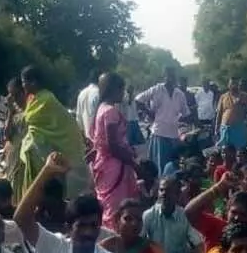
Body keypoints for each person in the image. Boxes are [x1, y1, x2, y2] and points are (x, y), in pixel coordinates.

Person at [18, 65, 93, 201]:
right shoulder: (33, 98)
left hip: (51, 147)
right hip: (39, 147)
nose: (23, 86)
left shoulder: (47, 99)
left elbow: (31, 118)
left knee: (52, 183)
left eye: (24, 82)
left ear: (33, 82)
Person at [89, 72, 138, 230]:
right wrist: (136, 166)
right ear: (114, 90)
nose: (123, 93)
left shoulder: (101, 109)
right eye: (121, 89)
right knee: (115, 208)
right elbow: (113, 146)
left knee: (108, 206)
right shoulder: (110, 112)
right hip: (115, 167)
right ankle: (113, 240)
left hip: (105, 165)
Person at [142, 175, 202, 253]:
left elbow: (198, 243)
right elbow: (139, 243)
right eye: (161, 190)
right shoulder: (148, 215)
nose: (164, 194)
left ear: (178, 195)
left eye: (169, 191)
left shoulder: (184, 215)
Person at [136, 68, 192, 175]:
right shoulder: (156, 89)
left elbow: (186, 113)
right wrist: (149, 113)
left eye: (173, 76)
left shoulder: (179, 94)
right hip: (159, 134)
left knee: (172, 168)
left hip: (174, 135)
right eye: (168, 76)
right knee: (159, 168)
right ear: (164, 77)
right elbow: (138, 100)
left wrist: (192, 125)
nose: (171, 79)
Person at [214, 76, 247, 151]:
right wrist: (216, 128)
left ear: (239, 85)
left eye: (236, 84)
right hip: (225, 128)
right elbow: (219, 113)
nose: (234, 85)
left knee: (239, 151)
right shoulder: (223, 97)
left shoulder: (244, 96)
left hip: (239, 129)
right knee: (224, 150)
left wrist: (246, 109)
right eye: (232, 84)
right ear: (228, 85)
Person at [74, 70, 101, 140]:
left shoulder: (81, 93)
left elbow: (78, 117)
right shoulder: (99, 93)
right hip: (97, 137)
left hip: (86, 137)